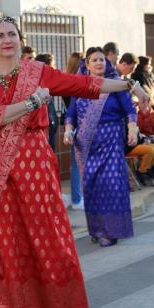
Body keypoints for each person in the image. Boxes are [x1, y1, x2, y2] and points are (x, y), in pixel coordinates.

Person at [0, 17, 146, 308]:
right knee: (8, 243)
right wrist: (33, 103)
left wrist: (126, 84)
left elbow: (86, 86)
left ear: (20, 40)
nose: (7, 40)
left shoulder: (38, 72)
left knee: (40, 239)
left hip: (34, 166)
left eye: (12, 34)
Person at [65, 46, 138, 245]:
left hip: (111, 138)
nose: (99, 63)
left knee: (111, 184)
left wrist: (132, 128)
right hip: (86, 143)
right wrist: (68, 130)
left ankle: (111, 231)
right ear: (86, 65)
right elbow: (71, 113)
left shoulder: (116, 85)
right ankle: (96, 229)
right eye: (94, 60)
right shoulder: (80, 87)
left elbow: (129, 109)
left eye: (102, 60)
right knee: (92, 186)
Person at [63, 51, 84, 210]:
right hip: (78, 125)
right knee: (78, 164)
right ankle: (77, 199)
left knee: (77, 164)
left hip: (72, 126)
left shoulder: (66, 82)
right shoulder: (76, 84)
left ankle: (78, 197)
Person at [35, 53, 60, 150]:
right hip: (44, 135)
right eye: (53, 65)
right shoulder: (40, 88)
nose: (55, 68)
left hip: (49, 133)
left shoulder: (48, 85)